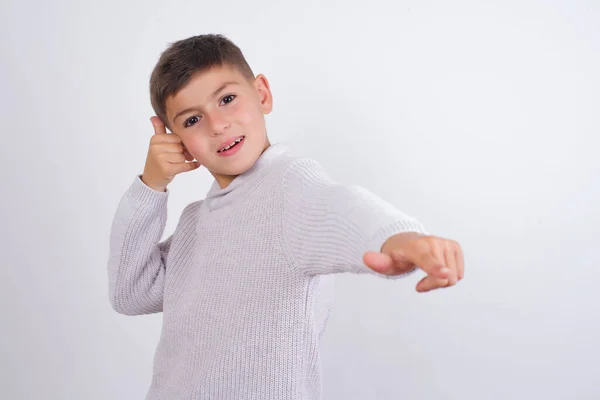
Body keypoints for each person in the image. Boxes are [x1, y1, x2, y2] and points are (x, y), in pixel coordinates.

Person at [107, 33, 464, 400]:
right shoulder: (194, 223)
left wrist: (403, 239)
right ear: (176, 140)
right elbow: (130, 293)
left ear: (262, 94)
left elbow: (342, 206)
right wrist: (151, 185)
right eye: (193, 119)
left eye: (227, 99)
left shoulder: (287, 185)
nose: (217, 125)